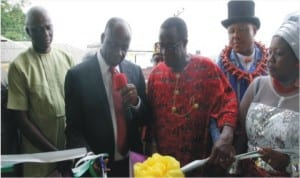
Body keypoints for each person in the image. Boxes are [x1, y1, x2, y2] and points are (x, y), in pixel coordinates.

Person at [146, 17, 238, 176]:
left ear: (185, 42)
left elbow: (228, 103)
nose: (164, 52)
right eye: (161, 46)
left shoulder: (206, 69)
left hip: (199, 164)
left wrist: (226, 136)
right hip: (164, 168)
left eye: (170, 46)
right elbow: (149, 121)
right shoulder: (155, 75)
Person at [65, 17, 149, 177]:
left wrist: (136, 103)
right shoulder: (76, 76)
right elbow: (73, 129)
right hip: (98, 167)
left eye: (124, 47)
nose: (119, 52)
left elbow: (145, 119)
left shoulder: (135, 71)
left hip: (132, 164)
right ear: (103, 38)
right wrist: (87, 158)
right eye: (113, 44)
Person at [7, 6, 75, 177]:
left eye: (48, 27)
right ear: (28, 32)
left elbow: (77, 106)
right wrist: (55, 154)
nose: (45, 33)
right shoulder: (19, 66)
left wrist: (67, 152)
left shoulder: (67, 59)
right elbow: (21, 120)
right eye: (38, 29)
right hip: (38, 158)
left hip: (68, 153)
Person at [236, 13, 299, 177]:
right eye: (270, 52)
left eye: (278, 53)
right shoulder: (257, 86)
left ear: (297, 59)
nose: (270, 59)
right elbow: (239, 136)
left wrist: (287, 164)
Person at [217, 0, 268, 102]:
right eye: (231, 31)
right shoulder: (221, 65)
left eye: (242, 30)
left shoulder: (269, 61)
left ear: (254, 31)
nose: (235, 36)